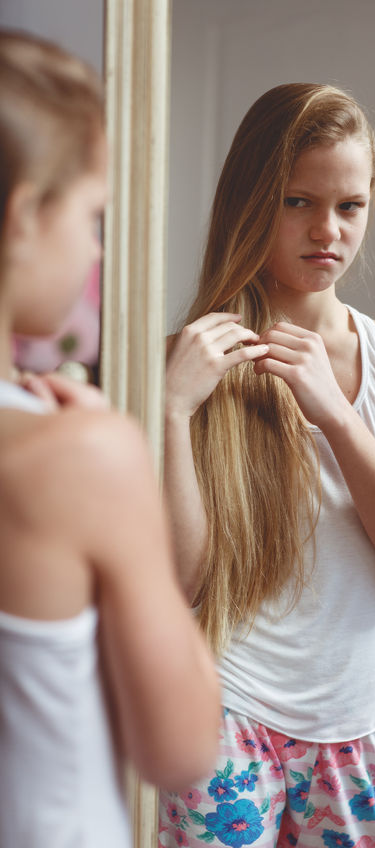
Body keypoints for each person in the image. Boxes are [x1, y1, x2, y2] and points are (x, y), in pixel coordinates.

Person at [160, 83, 375, 848]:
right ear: (253, 199)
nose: (326, 230)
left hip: (358, 726)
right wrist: (169, 414)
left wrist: (335, 413)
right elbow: (183, 581)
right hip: (223, 714)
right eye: (298, 201)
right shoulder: (188, 363)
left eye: (349, 206)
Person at [0, 29, 221, 847]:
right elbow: (184, 749)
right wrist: (120, 447)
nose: (98, 248)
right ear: (24, 216)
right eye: (93, 215)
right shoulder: (81, 456)